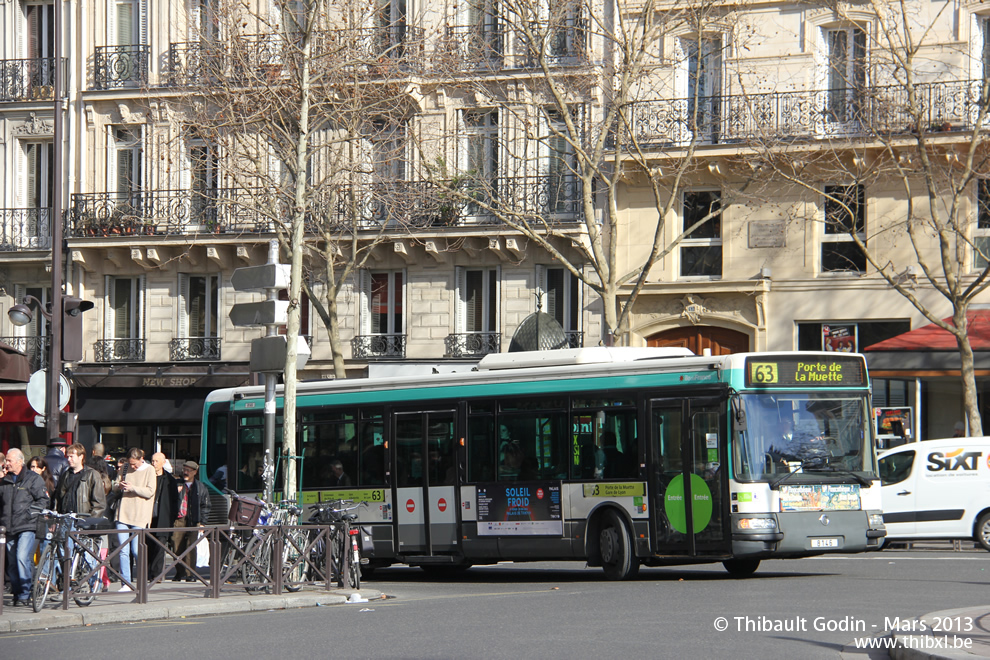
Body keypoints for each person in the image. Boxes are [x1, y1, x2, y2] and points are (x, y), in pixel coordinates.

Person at [0, 448, 48, 606]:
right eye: (6, 460)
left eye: (9, 460)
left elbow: (42, 501)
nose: (6, 463)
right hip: (8, 526)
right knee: (12, 561)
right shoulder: (4, 480)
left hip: (27, 525)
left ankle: (25, 593)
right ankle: (17, 591)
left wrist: (29, 514)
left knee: (22, 557)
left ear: (20, 462)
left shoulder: (33, 479)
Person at [112, 448, 156, 592]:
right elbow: (114, 486)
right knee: (123, 550)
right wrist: (119, 486)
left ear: (142, 458)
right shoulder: (124, 468)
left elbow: (150, 491)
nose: (132, 467)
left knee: (137, 550)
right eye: (131, 464)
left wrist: (133, 488)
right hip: (123, 513)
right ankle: (126, 583)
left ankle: (142, 581)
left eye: (135, 464)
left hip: (140, 514)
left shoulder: (149, 470)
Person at [171, 461, 211, 582]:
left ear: (195, 472)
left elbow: (206, 505)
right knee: (176, 545)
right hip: (179, 519)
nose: (186, 472)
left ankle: (190, 574)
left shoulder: (200, 486)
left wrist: (203, 522)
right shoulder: (177, 484)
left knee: (191, 546)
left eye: (189, 470)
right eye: (185, 470)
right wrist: (175, 492)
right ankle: (179, 572)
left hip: (194, 519)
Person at [52, 444, 107, 518]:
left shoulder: (92, 475)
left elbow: (99, 504)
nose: (68, 459)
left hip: (82, 520)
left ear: (81, 456)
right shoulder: (66, 474)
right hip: (65, 519)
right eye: (67, 456)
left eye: (71, 456)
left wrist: (88, 522)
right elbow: (58, 498)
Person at [147, 452, 178, 580]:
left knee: (160, 547)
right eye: (152, 461)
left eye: (156, 461)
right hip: (148, 517)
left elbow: (175, 500)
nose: (154, 464)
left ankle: (157, 574)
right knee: (147, 545)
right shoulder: (147, 476)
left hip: (163, 517)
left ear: (163, 463)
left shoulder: (170, 480)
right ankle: (147, 572)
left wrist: (172, 518)